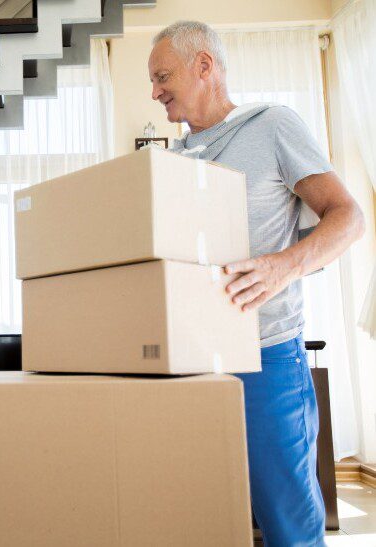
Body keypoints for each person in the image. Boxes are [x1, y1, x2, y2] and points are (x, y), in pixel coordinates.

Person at [148, 21, 365, 546]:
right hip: (188, 365)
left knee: (286, 523)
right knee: (205, 517)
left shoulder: (273, 126)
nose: (155, 92)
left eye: (162, 76)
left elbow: (348, 217)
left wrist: (283, 266)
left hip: (264, 358)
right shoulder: (171, 160)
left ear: (204, 66)